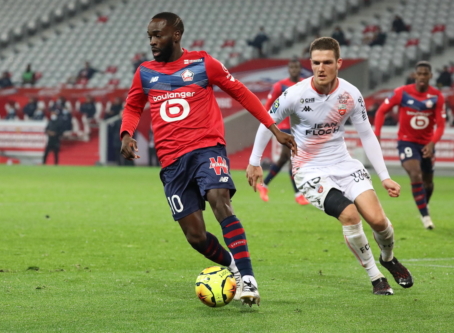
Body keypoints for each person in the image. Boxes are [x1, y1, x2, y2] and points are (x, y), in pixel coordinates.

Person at [119, 12, 296, 307]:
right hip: (172, 162)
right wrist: (126, 134)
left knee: (219, 198)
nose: (152, 41)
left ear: (176, 35)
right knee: (196, 236)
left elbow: (242, 93)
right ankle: (234, 266)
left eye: (158, 35)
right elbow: (133, 105)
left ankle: (248, 277)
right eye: (149, 36)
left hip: (206, 148)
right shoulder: (145, 72)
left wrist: (273, 128)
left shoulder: (203, 63)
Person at [247, 37, 413, 296]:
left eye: (326, 62)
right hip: (309, 170)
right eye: (315, 63)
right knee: (350, 216)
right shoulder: (295, 94)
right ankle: (375, 277)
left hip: (344, 164)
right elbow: (265, 122)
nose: (320, 68)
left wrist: (384, 177)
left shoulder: (349, 94)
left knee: (379, 221)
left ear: (339, 63)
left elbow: (367, 135)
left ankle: (388, 259)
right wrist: (254, 162)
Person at [374, 61, 446, 230]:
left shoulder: (436, 96)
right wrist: (376, 134)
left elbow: (441, 124)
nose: (422, 77)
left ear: (430, 76)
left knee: (428, 183)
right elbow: (381, 111)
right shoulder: (402, 93)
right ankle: (426, 217)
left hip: (426, 145)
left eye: (425, 74)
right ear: (415, 75)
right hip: (406, 141)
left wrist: (432, 143)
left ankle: (423, 206)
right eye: (419, 74)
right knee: (415, 174)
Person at [255, 58, 309, 205]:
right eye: (291, 67)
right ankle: (298, 194)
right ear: (288, 69)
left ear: (300, 69)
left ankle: (264, 185)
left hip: (298, 127)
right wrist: (271, 126)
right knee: (292, 158)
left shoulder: (305, 84)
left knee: (283, 159)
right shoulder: (280, 85)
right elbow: (268, 106)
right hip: (283, 127)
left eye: (296, 67)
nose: (294, 70)